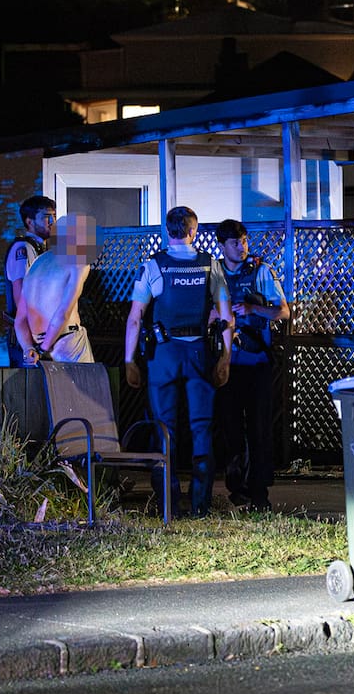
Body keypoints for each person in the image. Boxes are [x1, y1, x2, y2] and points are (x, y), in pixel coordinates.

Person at [124, 206, 233, 518]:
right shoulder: (210, 265)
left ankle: (168, 505)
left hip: (164, 354)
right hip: (199, 352)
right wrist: (225, 358)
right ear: (193, 231)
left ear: (167, 231)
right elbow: (226, 317)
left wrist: (129, 360)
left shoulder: (153, 266)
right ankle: (200, 503)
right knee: (202, 428)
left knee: (164, 428)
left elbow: (135, 319)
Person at [213, 219, 290, 512]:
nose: (241, 247)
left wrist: (252, 308)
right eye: (235, 242)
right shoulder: (214, 273)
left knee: (259, 428)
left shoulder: (260, 271)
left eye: (244, 241)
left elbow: (283, 312)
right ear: (222, 245)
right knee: (231, 428)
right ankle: (237, 491)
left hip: (257, 361)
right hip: (226, 363)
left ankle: (260, 493)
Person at [14, 212, 94, 364]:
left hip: (36, 344)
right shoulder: (78, 262)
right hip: (66, 342)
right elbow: (63, 312)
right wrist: (44, 348)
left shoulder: (37, 264)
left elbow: (20, 320)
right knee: (84, 387)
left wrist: (29, 349)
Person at [4, 195, 55, 366]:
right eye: (46, 216)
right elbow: (21, 300)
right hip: (26, 335)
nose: (52, 221)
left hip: (39, 332)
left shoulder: (42, 249)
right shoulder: (23, 249)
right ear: (29, 222)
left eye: (53, 216)